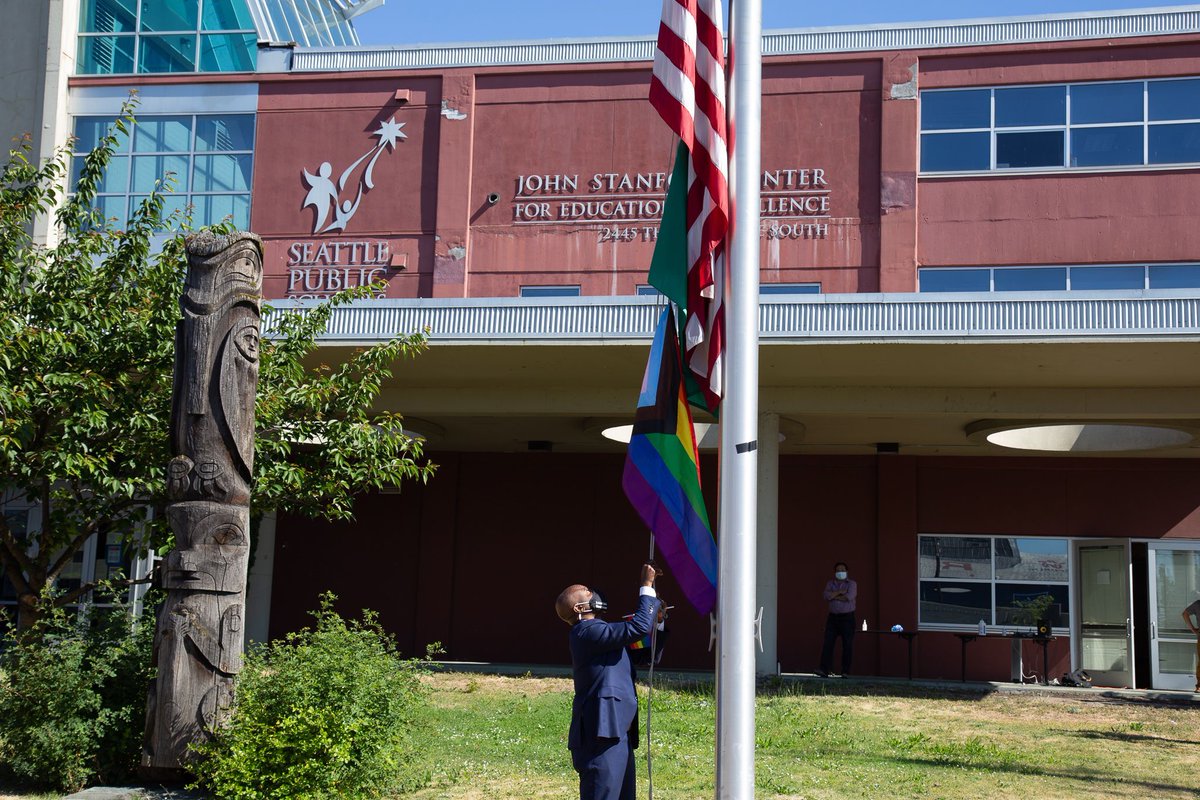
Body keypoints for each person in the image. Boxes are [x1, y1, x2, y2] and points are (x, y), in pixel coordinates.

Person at [556, 564, 660, 800]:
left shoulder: (601, 635)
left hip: (615, 729)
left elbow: (641, 651)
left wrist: (657, 621)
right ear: (579, 607)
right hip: (600, 734)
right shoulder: (586, 632)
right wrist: (646, 586)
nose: (593, 592)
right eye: (586, 591)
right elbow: (637, 628)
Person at [818, 561, 857, 677]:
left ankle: (845, 671)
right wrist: (840, 592)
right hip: (832, 618)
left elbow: (849, 597)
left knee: (847, 645)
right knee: (828, 643)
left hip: (847, 618)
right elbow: (826, 596)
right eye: (838, 570)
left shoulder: (852, 584)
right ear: (835, 572)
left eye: (843, 570)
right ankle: (824, 670)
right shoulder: (830, 583)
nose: (840, 572)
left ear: (847, 571)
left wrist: (834, 596)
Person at [1181, 594, 1200, 693]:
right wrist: (1193, 629)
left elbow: (1185, 614)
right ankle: (1199, 686)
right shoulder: (1197, 604)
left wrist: (1193, 629)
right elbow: (1185, 614)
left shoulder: (1197, 604)